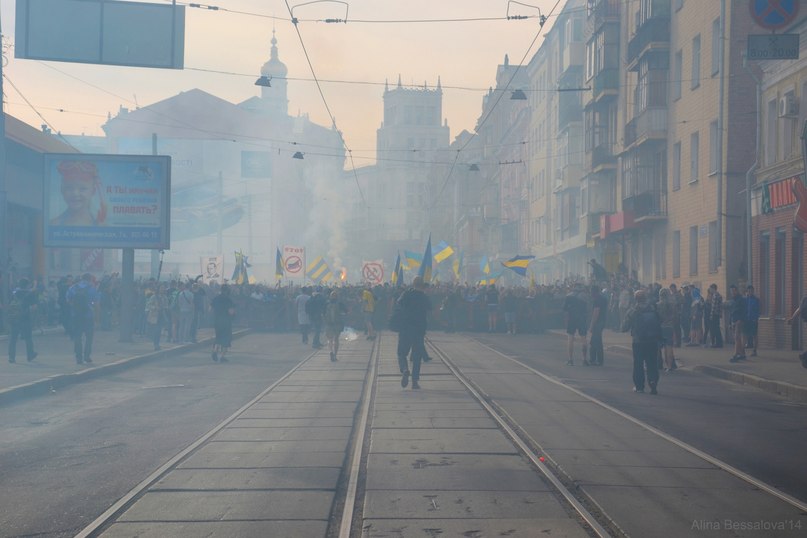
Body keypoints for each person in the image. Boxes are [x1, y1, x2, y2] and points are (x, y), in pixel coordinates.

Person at [622, 289, 662, 394]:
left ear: (635, 299)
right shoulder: (653, 308)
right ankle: (653, 384)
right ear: (646, 298)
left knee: (638, 364)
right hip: (652, 341)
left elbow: (624, 327)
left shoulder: (633, 310)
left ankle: (639, 387)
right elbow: (660, 321)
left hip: (638, 341)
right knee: (652, 363)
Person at [396, 276, 431, 389]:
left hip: (405, 328)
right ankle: (415, 382)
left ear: (413, 284)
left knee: (402, 353)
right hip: (419, 329)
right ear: (422, 285)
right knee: (417, 357)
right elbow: (431, 308)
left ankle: (405, 369)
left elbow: (399, 303)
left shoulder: (407, 294)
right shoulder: (424, 297)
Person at [50, 160, 107, 226]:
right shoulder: (53, 225)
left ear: (93, 191)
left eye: (82, 189)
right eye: (69, 188)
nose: (75, 194)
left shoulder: (102, 226)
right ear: (62, 190)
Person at [66, 273, 100, 365]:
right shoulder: (92, 289)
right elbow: (96, 304)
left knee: (77, 337)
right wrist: (97, 318)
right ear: (90, 279)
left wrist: (76, 307)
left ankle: (78, 358)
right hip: (88, 316)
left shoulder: (72, 288)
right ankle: (87, 356)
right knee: (89, 338)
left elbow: (68, 300)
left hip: (76, 316)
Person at [7, 278, 38, 363]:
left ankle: (11, 357)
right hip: (25, 318)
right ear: (27, 285)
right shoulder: (29, 293)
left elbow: (9, 304)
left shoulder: (14, 293)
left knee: (13, 339)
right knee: (28, 338)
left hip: (14, 318)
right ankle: (30, 355)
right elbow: (34, 307)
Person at [563, 285, 588, 365]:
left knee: (570, 338)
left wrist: (566, 321)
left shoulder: (568, 296)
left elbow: (565, 310)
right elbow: (588, 309)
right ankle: (584, 359)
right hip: (582, 319)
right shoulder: (585, 296)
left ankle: (570, 360)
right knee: (583, 339)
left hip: (572, 318)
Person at [210, 284, 235, 362]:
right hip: (226, 321)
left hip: (217, 321)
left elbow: (209, 309)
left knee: (218, 337)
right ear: (227, 291)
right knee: (226, 339)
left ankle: (215, 351)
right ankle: (222, 357)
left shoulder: (216, 298)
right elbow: (231, 312)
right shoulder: (228, 300)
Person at [657, 288, 677, 372]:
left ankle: (659, 364)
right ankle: (669, 366)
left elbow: (657, 317)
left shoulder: (658, 305)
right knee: (669, 348)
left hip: (660, 328)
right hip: (669, 327)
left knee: (658, 348)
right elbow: (675, 317)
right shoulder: (672, 305)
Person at [324, 290, 348, 361]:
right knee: (336, 339)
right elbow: (346, 312)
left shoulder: (326, 304)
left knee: (329, 339)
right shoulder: (340, 303)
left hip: (329, 324)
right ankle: (335, 355)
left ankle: (330, 351)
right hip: (337, 324)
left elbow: (323, 313)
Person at [588, 285, 608, 366]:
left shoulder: (597, 300)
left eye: (591, 291)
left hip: (598, 322)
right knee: (597, 341)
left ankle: (594, 360)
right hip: (602, 321)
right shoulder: (603, 299)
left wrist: (591, 326)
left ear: (594, 292)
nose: (590, 293)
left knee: (595, 342)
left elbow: (596, 313)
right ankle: (598, 360)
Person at [728, 284, 747, 363]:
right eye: (731, 291)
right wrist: (729, 322)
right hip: (733, 320)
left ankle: (736, 354)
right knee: (737, 338)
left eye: (733, 291)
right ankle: (742, 354)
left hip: (739, 320)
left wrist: (741, 319)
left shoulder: (741, 299)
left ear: (736, 290)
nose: (732, 292)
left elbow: (744, 310)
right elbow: (731, 312)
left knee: (736, 337)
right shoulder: (732, 300)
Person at [787, 295, 807, 368]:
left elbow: (799, 309)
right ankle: (805, 356)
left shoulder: (805, 298)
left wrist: (793, 318)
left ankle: (805, 358)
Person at [144, 285, 166, 351]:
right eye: (161, 288)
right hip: (155, 315)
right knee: (156, 330)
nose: (163, 289)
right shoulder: (154, 297)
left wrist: (165, 308)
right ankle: (155, 344)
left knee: (159, 331)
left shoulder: (164, 297)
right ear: (158, 289)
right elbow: (149, 304)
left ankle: (157, 343)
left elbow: (166, 305)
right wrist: (155, 307)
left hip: (162, 315)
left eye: (163, 288)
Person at [744, 285, 760, 357]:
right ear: (747, 291)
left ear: (753, 291)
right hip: (746, 320)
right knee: (745, 335)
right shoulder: (745, 300)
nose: (750, 292)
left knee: (754, 335)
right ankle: (742, 350)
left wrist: (756, 318)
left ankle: (754, 350)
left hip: (753, 320)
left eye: (751, 291)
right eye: (748, 291)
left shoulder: (756, 300)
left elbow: (758, 310)